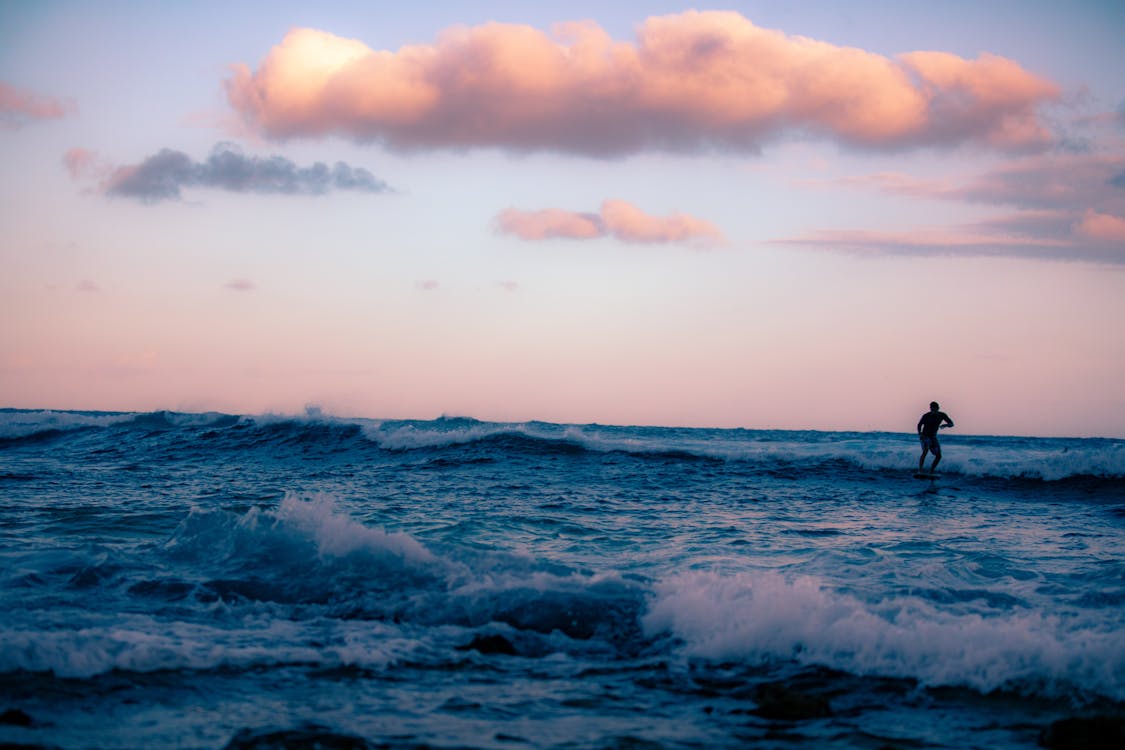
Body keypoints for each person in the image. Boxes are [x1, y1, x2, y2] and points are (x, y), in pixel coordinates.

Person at [917, 401, 953, 474]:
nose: (933, 411)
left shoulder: (942, 415)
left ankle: (931, 471)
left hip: (933, 437)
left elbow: (951, 424)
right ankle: (920, 470)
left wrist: (945, 425)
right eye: (931, 409)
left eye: (934, 409)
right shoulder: (926, 416)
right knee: (925, 451)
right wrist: (920, 433)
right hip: (925, 436)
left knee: (939, 456)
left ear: (938, 408)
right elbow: (919, 425)